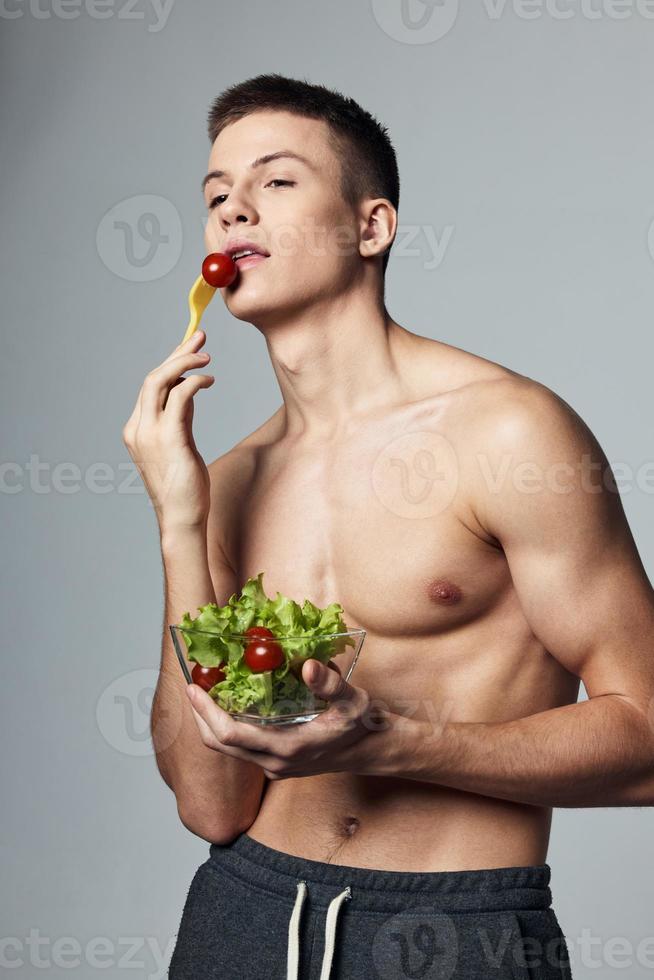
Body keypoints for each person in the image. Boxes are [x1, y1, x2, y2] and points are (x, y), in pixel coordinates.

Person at [122, 73, 654, 980]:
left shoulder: (507, 433)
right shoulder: (230, 481)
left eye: (276, 182)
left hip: (452, 932)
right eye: (215, 196)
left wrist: (400, 743)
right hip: (239, 916)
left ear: (371, 227)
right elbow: (211, 804)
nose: (232, 211)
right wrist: (179, 520)